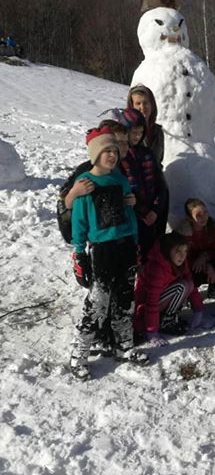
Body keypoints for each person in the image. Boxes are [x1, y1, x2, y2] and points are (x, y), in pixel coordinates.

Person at [69, 126, 149, 380]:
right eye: (107, 151)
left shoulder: (120, 180)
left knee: (125, 298)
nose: (113, 155)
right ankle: (79, 354)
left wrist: (135, 241)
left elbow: (128, 214)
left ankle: (124, 346)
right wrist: (79, 253)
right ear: (95, 155)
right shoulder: (85, 183)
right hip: (102, 250)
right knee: (97, 303)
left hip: (125, 247)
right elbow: (79, 222)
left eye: (115, 151)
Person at [112, 107, 169, 259]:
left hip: (152, 216)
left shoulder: (147, 154)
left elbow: (160, 185)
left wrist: (155, 210)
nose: (137, 136)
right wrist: (139, 212)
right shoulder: (119, 158)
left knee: (151, 255)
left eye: (140, 132)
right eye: (133, 132)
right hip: (132, 217)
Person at [134, 232, 204, 340]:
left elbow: (192, 287)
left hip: (161, 300)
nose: (182, 255)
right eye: (178, 251)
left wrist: (198, 309)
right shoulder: (156, 268)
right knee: (181, 286)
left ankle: (166, 316)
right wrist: (151, 331)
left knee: (188, 284)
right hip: (144, 310)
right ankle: (166, 320)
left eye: (185, 251)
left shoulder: (181, 263)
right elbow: (151, 302)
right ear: (167, 251)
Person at [175, 198, 215, 305]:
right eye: (198, 215)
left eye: (205, 212)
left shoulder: (214, 227)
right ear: (190, 218)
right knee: (190, 273)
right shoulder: (183, 233)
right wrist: (200, 264)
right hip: (192, 265)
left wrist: (205, 258)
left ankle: (214, 288)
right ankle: (189, 294)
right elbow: (182, 258)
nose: (203, 217)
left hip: (207, 261)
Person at [127, 84, 165, 167]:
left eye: (145, 103)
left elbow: (158, 162)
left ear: (152, 105)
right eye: (138, 103)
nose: (142, 107)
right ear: (131, 106)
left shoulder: (158, 132)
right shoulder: (126, 131)